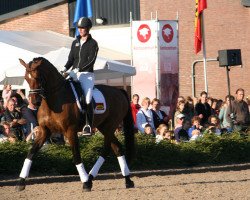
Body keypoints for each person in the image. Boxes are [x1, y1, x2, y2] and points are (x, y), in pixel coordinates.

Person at [62, 17, 99, 135]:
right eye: (79, 28)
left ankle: (88, 124)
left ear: (88, 28)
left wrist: (78, 69)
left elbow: (91, 61)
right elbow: (71, 59)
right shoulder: (75, 42)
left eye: (83, 28)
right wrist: (64, 69)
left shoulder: (93, 43)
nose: (81, 30)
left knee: (87, 98)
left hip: (87, 75)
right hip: (73, 72)